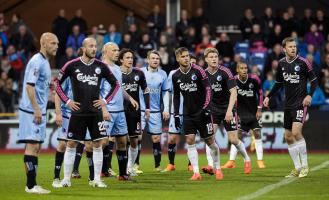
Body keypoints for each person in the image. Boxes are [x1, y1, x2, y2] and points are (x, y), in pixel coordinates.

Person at [55, 38, 120, 188]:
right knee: (71, 144)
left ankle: (96, 179)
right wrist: (67, 101)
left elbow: (115, 84)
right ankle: (66, 179)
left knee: (97, 144)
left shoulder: (101, 66)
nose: (94, 49)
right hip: (77, 113)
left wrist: (105, 101)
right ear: (83, 48)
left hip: (95, 113)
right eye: (91, 46)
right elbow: (57, 83)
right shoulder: (72, 65)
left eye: (95, 46)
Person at [264, 37, 318, 178]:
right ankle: (297, 168)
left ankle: (305, 167)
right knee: (287, 137)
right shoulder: (281, 64)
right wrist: (268, 96)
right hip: (287, 104)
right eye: (290, 47)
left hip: (300, 102)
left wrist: (309, 96)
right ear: (284, 49)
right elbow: (278, 83)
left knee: (295, 132)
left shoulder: (304, 62)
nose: (293, 49)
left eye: (294, 46)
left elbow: (314, 82)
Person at [172, 47, 223, 180]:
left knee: (210, 141)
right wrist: (176, 114)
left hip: (203, 112)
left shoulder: (198, 70)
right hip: (188, 113)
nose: (186, 58)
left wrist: (206, 107)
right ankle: (196, 172)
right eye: (183, 56)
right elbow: (176, 96)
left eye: (187, 56)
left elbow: (208, 89)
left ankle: (218, 168)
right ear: (177, 58)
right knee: (190, 141)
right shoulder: (175, 75)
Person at [17, 32, 58, 194]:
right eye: (53, 43)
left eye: (57, 44)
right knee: (32, 146)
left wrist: (51, 92)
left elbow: (39, 87)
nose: (56, 46)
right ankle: (30, 185)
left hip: (37, 110)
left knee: (37, 147)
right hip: (31, 111)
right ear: (44, 43)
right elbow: (29, 86)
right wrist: (36, 109)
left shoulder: (45, 62)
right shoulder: (36, 61)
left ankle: (33, 184)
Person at [203, 48, 251, 174]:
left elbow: (234, 93)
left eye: (215, 56)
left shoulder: (225, 72)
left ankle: (247, 159)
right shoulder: (203, 74)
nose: (214, 59)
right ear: (206, 59)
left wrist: (229, 111)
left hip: (227, 108)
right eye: (211, 57)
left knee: (233, 139)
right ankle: (210, 165)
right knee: (209, 137)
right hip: (213, 109)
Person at [100, 43, 138, 180]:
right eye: (114, 50)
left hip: (120, 111)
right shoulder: (100, 68)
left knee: (122, 141)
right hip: (108, 110)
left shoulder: (116, 68)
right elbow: (96, 92)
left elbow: (119, 88)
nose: (117, 52)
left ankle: (122, 174)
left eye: (117, 50)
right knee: (103, 142)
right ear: (105, 51)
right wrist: (103, 109)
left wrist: (130, 98)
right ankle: (98, 172)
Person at [223, 62, 265, 169]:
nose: (244, 70)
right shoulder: (233, 81)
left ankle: (260, 160)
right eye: (242, 68)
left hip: (253, 112)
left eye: (246, 68)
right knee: (237, 136)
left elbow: (260, 93)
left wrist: (259, 109)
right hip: (240, 114)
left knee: (257, 133)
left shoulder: (254, 79)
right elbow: (230, 97)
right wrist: (233, 111)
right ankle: (231, 161)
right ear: (237, 69)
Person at [162, 54, 196, 172]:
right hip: (176, 111)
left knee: (191, 139)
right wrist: (167, 109)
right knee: (172, 139)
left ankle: (190, 164)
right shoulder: (173, 74)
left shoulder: (196, 74)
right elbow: (168, 92)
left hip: (191, 112)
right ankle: (171, 164)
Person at [119, 48, 150, 177]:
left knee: (134, 140)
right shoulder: (116, 73)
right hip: (119, 111)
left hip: (134, 111)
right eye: (127, 58)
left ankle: (130, 167)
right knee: (118, 140)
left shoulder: (139, 73)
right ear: (121, 60)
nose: (130, 60)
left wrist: (147, 108)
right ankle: (107, 168)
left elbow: (145, 90)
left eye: (131, 58)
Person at [140, 50, 170, 171]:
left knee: (156, 138)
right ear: (148, 59)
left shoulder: (163, 74)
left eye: (157, 58)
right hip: (141, 110)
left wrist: (166, 109)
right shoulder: (140, 72)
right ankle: (135, 165)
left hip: (156, 111)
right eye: (153, 58)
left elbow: (165, 92)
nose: (155, 60)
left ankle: (157, 166)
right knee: (137, 138)